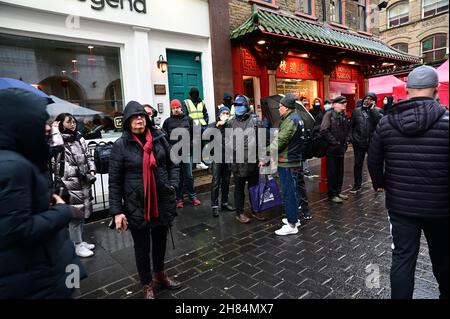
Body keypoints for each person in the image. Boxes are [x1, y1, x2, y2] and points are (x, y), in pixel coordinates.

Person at [368, 65, 449, 299]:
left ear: (407, 90)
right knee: (443, 257)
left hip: (401, 206)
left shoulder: (387, 122)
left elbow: (373, 161)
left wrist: (381, 183)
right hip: (441, 207)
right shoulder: (446, 121)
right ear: (436, 90)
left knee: (403, 258)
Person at [0, 88, 85, 298]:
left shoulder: (20, 158)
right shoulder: (12, 166)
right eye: (42, 122)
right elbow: (17, 230)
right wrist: (61, 211)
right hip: (35, 280)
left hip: (42, 271)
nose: (48, 128)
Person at [109, 101, 181, 299]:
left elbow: (173, 163)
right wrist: (117, 212)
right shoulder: (120, 145)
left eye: (142, 116)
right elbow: (114, 181)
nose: (139, 119)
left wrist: (172, 184)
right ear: (127, 122)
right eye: (134, 117)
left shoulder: (159, 138)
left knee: (160, 242)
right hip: (136, 204)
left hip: (161, 200)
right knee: (142, 247)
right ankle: (146, 283)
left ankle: (159, 275)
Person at [52, 113, 97, 258]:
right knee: (75, 216)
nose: (73, 124)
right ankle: (76, 245)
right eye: (68, 122)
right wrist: (79, 173)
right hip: (70, 183)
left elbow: (88, 156)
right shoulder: (58, 142)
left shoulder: (79, 137)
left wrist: (91, 169)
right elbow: (57, 165)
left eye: (73, 121)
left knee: (82, 213)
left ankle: (80, 241)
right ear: (60, 124)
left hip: (83, 181)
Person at [268, 93, 304, 235]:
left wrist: (265, 153)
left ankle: (292, 224)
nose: (279, 109)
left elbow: (280, 141)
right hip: (293, 159)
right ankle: (294, 217)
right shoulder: (296, 118)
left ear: (287, 108)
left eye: (280, 106)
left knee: (288, 192)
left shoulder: (290, 120)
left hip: (287, 161)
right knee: (293, 190)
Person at [226, 95, 266, 223]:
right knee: (239, 189)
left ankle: (256, 210)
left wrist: (262, 158)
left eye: (240, 105)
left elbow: (262, 140)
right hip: (237, 162)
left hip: (253, 161)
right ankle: (240, 212)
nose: (238, 108)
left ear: (247, 105)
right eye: (236, 105)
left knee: (254, 188)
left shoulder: (255, 121)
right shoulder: (231, 122)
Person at [163, 99, 201, 208]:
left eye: (177, 107)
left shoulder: (188, 119)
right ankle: (179, 199)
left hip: (186, 152)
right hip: (174, 154)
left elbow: (195, 134)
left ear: (181, 108)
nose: (175, 110)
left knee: (188, 175)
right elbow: (164, 137)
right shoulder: (167, 122)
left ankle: (193, 196)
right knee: (177, 177)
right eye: (173, 108)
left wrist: (192, 145)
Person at [348, 93, 383, 194]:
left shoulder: (378, 111)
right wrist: (352, 138)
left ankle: (378, 184)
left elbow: (380, 122)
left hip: (372, 142)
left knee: (374, 164)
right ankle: (357, 185)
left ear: (374, 101)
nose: (367, 100)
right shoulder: (356, 111)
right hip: (359, 142)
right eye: (366, 98)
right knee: (358, 164)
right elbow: (351, 126)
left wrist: (372, 110)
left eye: (370, 99)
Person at [320, 96, 350, 203]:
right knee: (332, 172)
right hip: (332, 149)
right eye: (341, 103)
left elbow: (347, 130)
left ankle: (338, 191)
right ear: (334, 104)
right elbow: (323, 130)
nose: (343, 105)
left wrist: (346, 141)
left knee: (339, 172)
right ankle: (332, 194)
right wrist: (334, 142)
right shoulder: (329, 114)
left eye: (345, 103)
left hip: (341, 149)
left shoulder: (343, 115)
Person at [208, 106, 235, 217]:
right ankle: (214, 206)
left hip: (227, 158)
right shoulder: (213, 125)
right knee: (215, 182)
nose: (225, 115)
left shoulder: (230, 126)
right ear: (219, 114)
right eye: (223, 112)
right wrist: (217, 127)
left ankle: (224, 203)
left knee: (226, 181)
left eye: (227, 113)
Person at [182, 87, 209, 170]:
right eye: (193, 93)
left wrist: (205, 122)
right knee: (195, 144)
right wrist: (189, 125)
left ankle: (204, 161)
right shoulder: (186, 102)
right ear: (190, 93)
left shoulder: (202, 102)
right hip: (192, 127)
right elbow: (185, 115)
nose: (195, 94)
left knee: (204, 144)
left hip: (202, 126)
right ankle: (196, 163)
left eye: (196, 92)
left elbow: (205, 114)